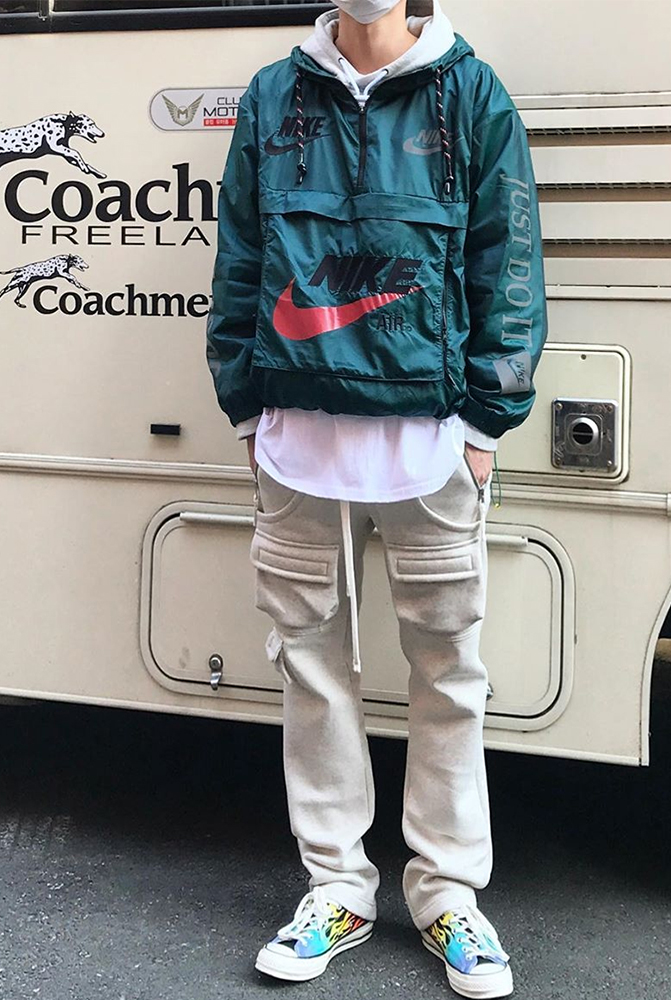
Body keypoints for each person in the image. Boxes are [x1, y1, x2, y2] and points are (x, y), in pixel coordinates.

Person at [205, 0, 547, 995]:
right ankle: (337, 888)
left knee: (448, 670)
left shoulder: (470, 92)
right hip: (296, 440)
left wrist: (484, 425)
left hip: (430, 442)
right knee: (311, 665)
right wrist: (245, 407)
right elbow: (239, 257)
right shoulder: (274, 94)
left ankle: (448, 895)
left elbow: (508, 257)